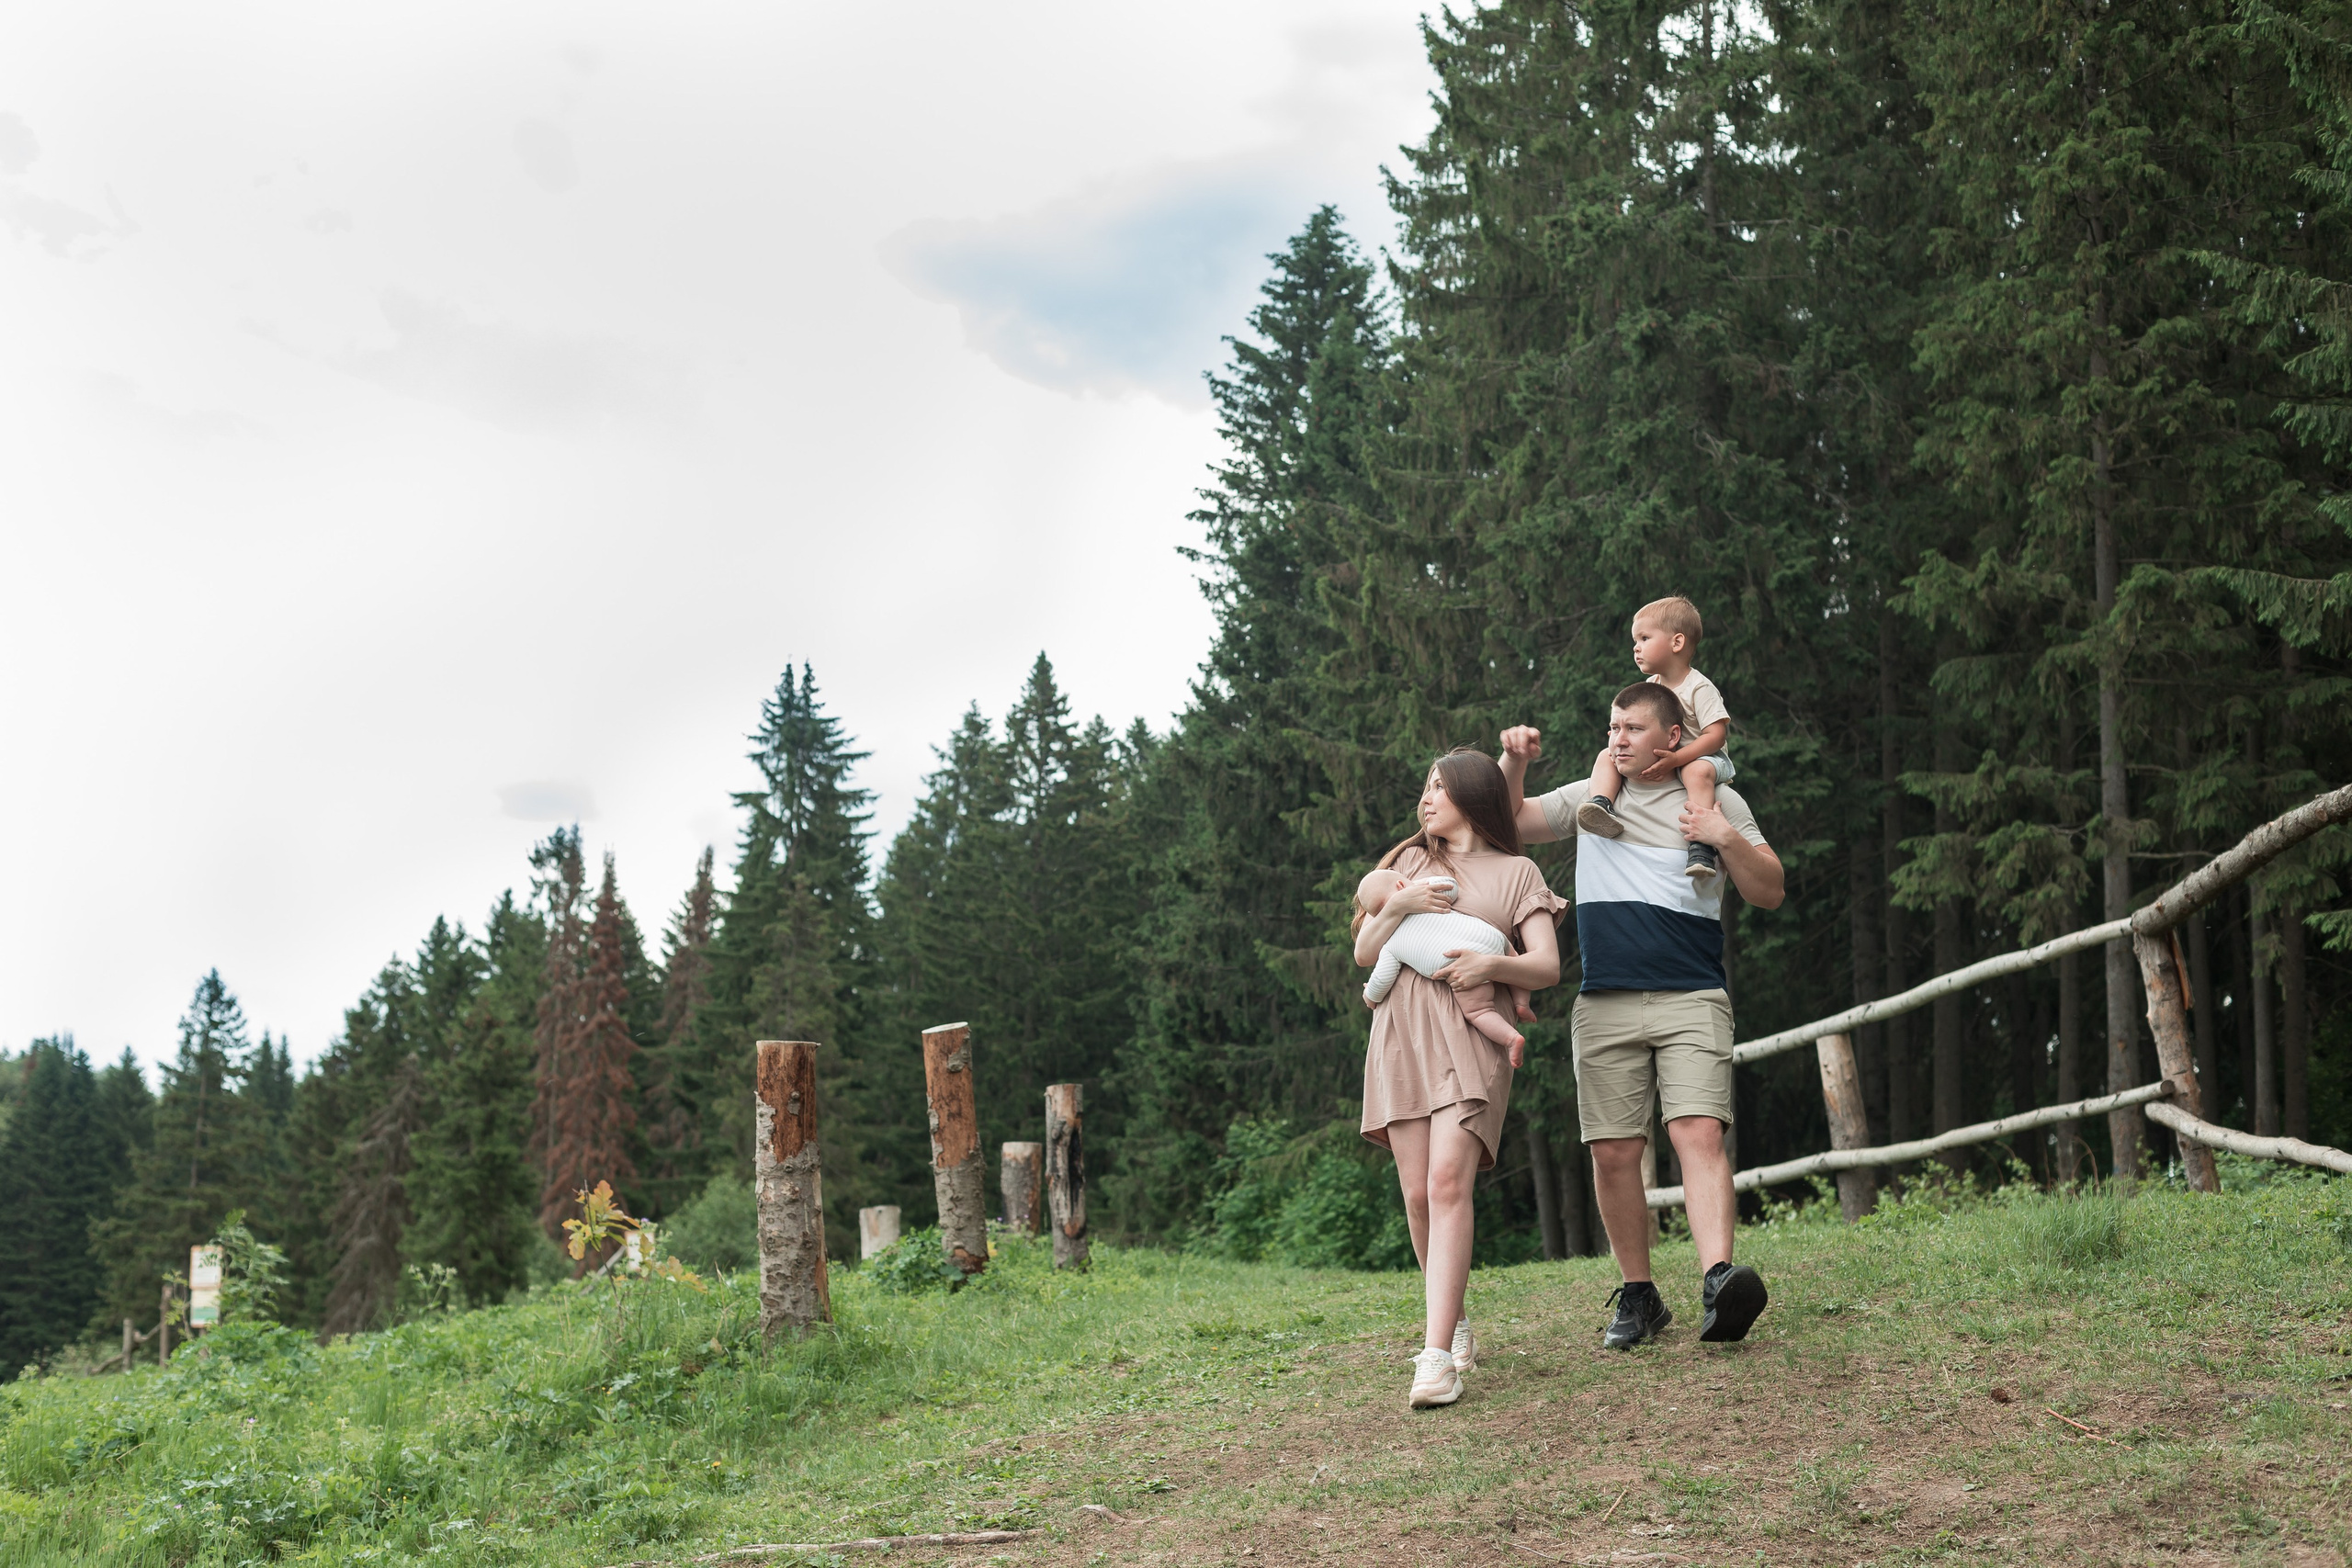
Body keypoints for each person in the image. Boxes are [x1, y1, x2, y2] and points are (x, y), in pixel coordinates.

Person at [1499, 683, 1786, 1349]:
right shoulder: (1593, 797)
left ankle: (1719, 1280)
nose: (1617, 738)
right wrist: (1514, 761)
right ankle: (1639, 1295)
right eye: (1612, 726)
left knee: (1698, 1134)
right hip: (1605, 1000)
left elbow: (1768, 888)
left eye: (1631, 727)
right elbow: (1510, 822)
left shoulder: (1717, 799)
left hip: (1692, 996)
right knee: (1613, 1150)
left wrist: (1720, 837)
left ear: (1672, 734)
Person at [1352, 747, 1566, 1406]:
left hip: (1471, 1034)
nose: (1426, 798)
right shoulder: (1407, 863)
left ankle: (1435, 1355)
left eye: (1439, 787)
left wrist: (1489, 971)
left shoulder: (1516, 871)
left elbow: (1547, 966)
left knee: (1448, 1181)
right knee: (1417, 1193)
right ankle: (1456, 1316)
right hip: (1401, 1033)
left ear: (1473, 796)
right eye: (1425, 786)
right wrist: (1400, 903)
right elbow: (1365, 952)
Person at [1572, 596, 1736, 883]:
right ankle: (1601, 805)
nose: (1636, 647)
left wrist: (1678, 759)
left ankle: (1701, 846)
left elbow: (1716, 734)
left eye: (1645, 638)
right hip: (1671, 756)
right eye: (1635, 640)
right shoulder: (1652, 686)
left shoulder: (1699, 687)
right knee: (1606, 755)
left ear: (1677, 643)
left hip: (1706, 758)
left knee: (1695, 772)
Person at [1356, 865, 1538, 1049]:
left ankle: (1511, 1039)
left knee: (1479, 1011)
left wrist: (1370, 996)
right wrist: (1418, 885)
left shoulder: (1391, 944)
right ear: (1401, 884)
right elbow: (1451, 886)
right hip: (1489, 937)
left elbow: (1382, 978)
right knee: (1513, 958)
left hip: (1461, 966)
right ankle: (1522, 1002)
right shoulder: (1428, 898)